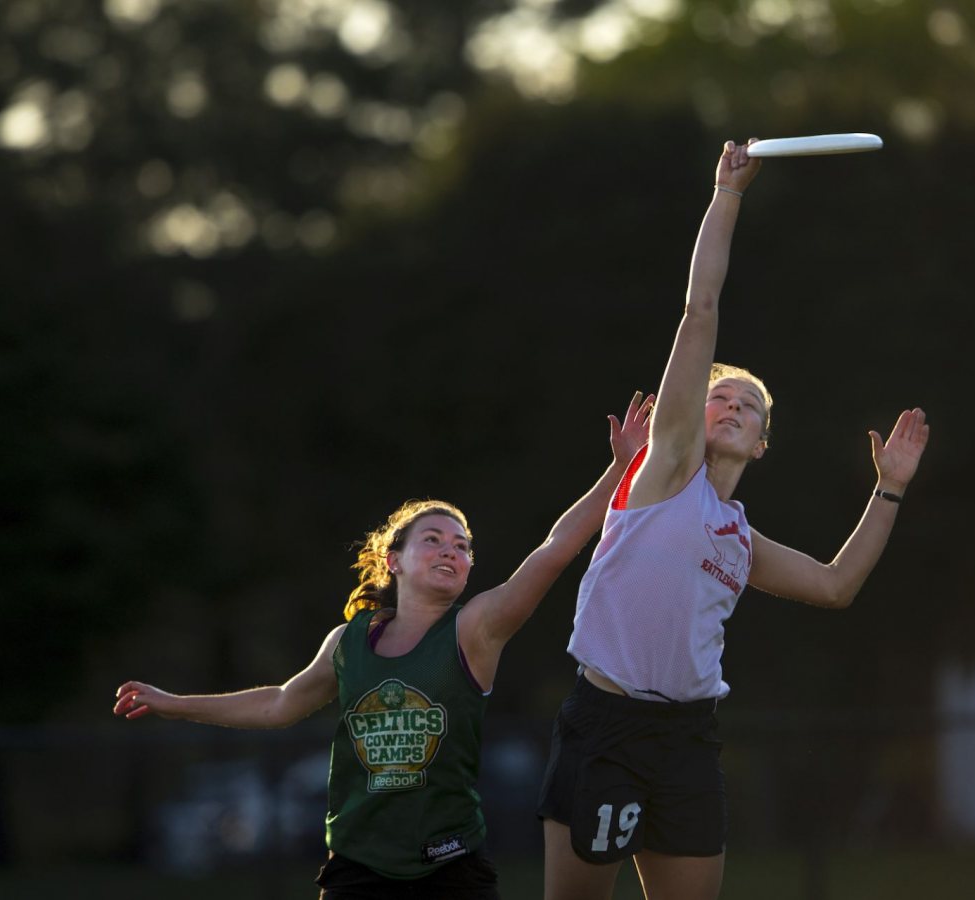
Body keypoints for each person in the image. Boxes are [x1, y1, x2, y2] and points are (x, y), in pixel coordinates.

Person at [536, 140, 931, 900]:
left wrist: (889, 490)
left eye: (750, 406)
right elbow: (701, 309)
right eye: (722, 395)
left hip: (687, 737)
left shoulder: (738, 538)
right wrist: (728, 196)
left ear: (760, 441)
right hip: (607, 728)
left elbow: (836, 584)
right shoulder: (666, 470)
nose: (732, 404)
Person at [113, 391, 653, 899]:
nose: (451, 550)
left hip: (451, 864)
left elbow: (555, 548)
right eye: (434, 540)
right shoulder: (349, 642)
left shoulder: (475, 630)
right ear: (394, 560)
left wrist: (621, 470)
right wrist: (176, 704)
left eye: (462, 545)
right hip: (357, 868)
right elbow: (279, 704)